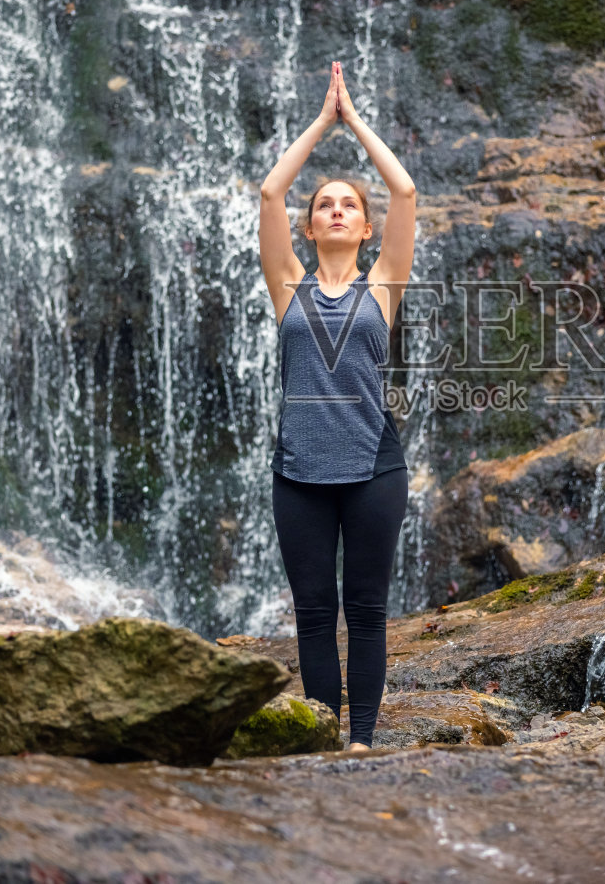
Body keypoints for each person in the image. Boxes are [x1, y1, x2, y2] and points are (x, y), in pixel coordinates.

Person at [258, 62, 416, 752]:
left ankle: (363, 742)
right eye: (325, 205)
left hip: (374, 468)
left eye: (349, 205)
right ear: (310, 226)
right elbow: (270, 191)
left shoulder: (382, 286)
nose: (337, 211)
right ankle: (325, 743)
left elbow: (404, 190)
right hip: (299, 472)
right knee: (316, 613)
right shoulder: (287, 286)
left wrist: (355, 122)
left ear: (366, 227)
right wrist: (322, 124)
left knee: (367, 610)